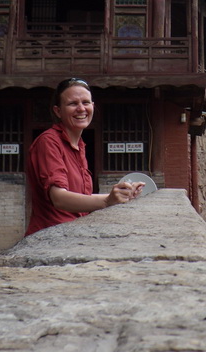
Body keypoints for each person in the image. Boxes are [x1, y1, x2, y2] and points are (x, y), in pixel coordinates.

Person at [25, 78, 144, 235]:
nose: (81, 109)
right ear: (58, 111)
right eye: (72, 103)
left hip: (72, 233)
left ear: (93, 106)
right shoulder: (48, 142)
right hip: (50, 236)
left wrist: (121, 196)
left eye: (86, 102)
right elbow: (58, 198)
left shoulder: (80, 146)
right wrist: (107, 201)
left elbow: (82, 197)